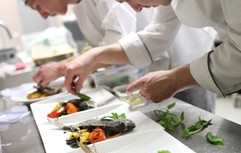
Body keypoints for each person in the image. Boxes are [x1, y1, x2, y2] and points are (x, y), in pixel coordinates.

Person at [64, 0, 241, 104]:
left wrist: (175, 79)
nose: (136, 9)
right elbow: (157, 34)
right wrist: (93, 56)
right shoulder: (169, 3)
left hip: (198, 62)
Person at [25, 0, 154, 86]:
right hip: (131, 76)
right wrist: (62, 66)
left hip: (153, 69)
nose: (43, 16)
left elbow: (119, 49)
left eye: (36, 5)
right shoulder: (78, 6)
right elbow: (97, 51)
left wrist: (61, 68)